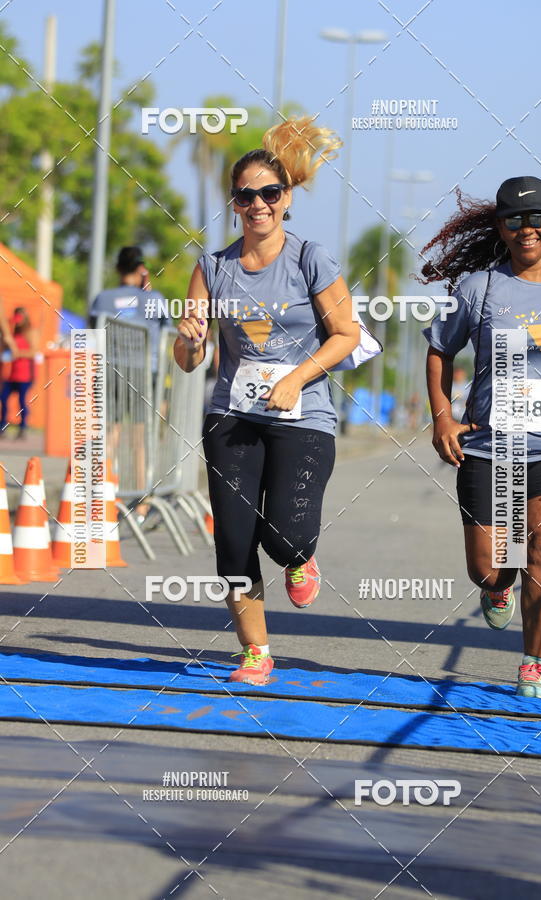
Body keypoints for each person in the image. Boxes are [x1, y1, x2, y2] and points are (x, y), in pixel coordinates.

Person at [174, 116, 360, 685]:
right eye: (246, 195)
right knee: (233, 542)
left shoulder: (310, 259)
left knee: (283, 537)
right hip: (232, 416)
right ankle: (255, 651)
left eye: (269, 193)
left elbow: (346, 334)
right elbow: (189, 360)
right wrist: (190, 340)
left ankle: (300, 557)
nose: (258, 204)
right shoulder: (213, 268)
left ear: (286, 199)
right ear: (234, 203)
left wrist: (297, 378)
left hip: (303, 417)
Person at [421, 175, 541, 699]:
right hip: (489, 448)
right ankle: (497, 588)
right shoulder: (478, 289)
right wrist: (442, 418)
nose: (527, 229)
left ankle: (535, 663)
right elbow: (440, 350)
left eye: (537, 218)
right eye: (515, 220)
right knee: (492, 568)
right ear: (500, 227)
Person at [90, 246, 169, 522]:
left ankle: (103, 498)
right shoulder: (154, 299)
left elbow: (93, 331)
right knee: (139, 438)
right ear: (141, 269)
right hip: (142, 372)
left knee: (108, 434)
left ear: (117, 269)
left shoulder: (103, 299)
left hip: (110, 368)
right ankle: (142, 504)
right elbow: (167, 331)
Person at [0, 307, 38, 438]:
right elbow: (5, 350)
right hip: (11, 374)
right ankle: (3, 426)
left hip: (25, 375)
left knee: (22, 401)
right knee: (3, 398)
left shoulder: (30, 332)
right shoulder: (12, 333)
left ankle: (23, 427)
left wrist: (19, 353)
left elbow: (33, 352)